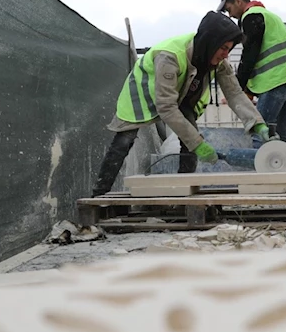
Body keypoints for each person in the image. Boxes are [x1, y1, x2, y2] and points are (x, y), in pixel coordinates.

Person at [92, 11, 270, 197]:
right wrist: (198, 144)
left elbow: (234, 94)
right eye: (223, 48)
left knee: (190, 140)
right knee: (124, 141)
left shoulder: (217, 60)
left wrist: (258, 124)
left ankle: (183, 194)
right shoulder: (170, 56)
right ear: (211, 41)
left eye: (229, 49)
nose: (226, 54)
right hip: (145, 92)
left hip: (181, 95)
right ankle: (98, 195)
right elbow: (166, 107)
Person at [217, 0, 286, 160]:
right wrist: (249, 90)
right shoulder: (269, 16)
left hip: (277, 82)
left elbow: (250, 55)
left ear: (238, 1)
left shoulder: (251, 17)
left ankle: (261, 176)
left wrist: (238, 87)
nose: (231, 15)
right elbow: (260, 57)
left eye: (229, 9)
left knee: (260, 130)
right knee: (281, 129)